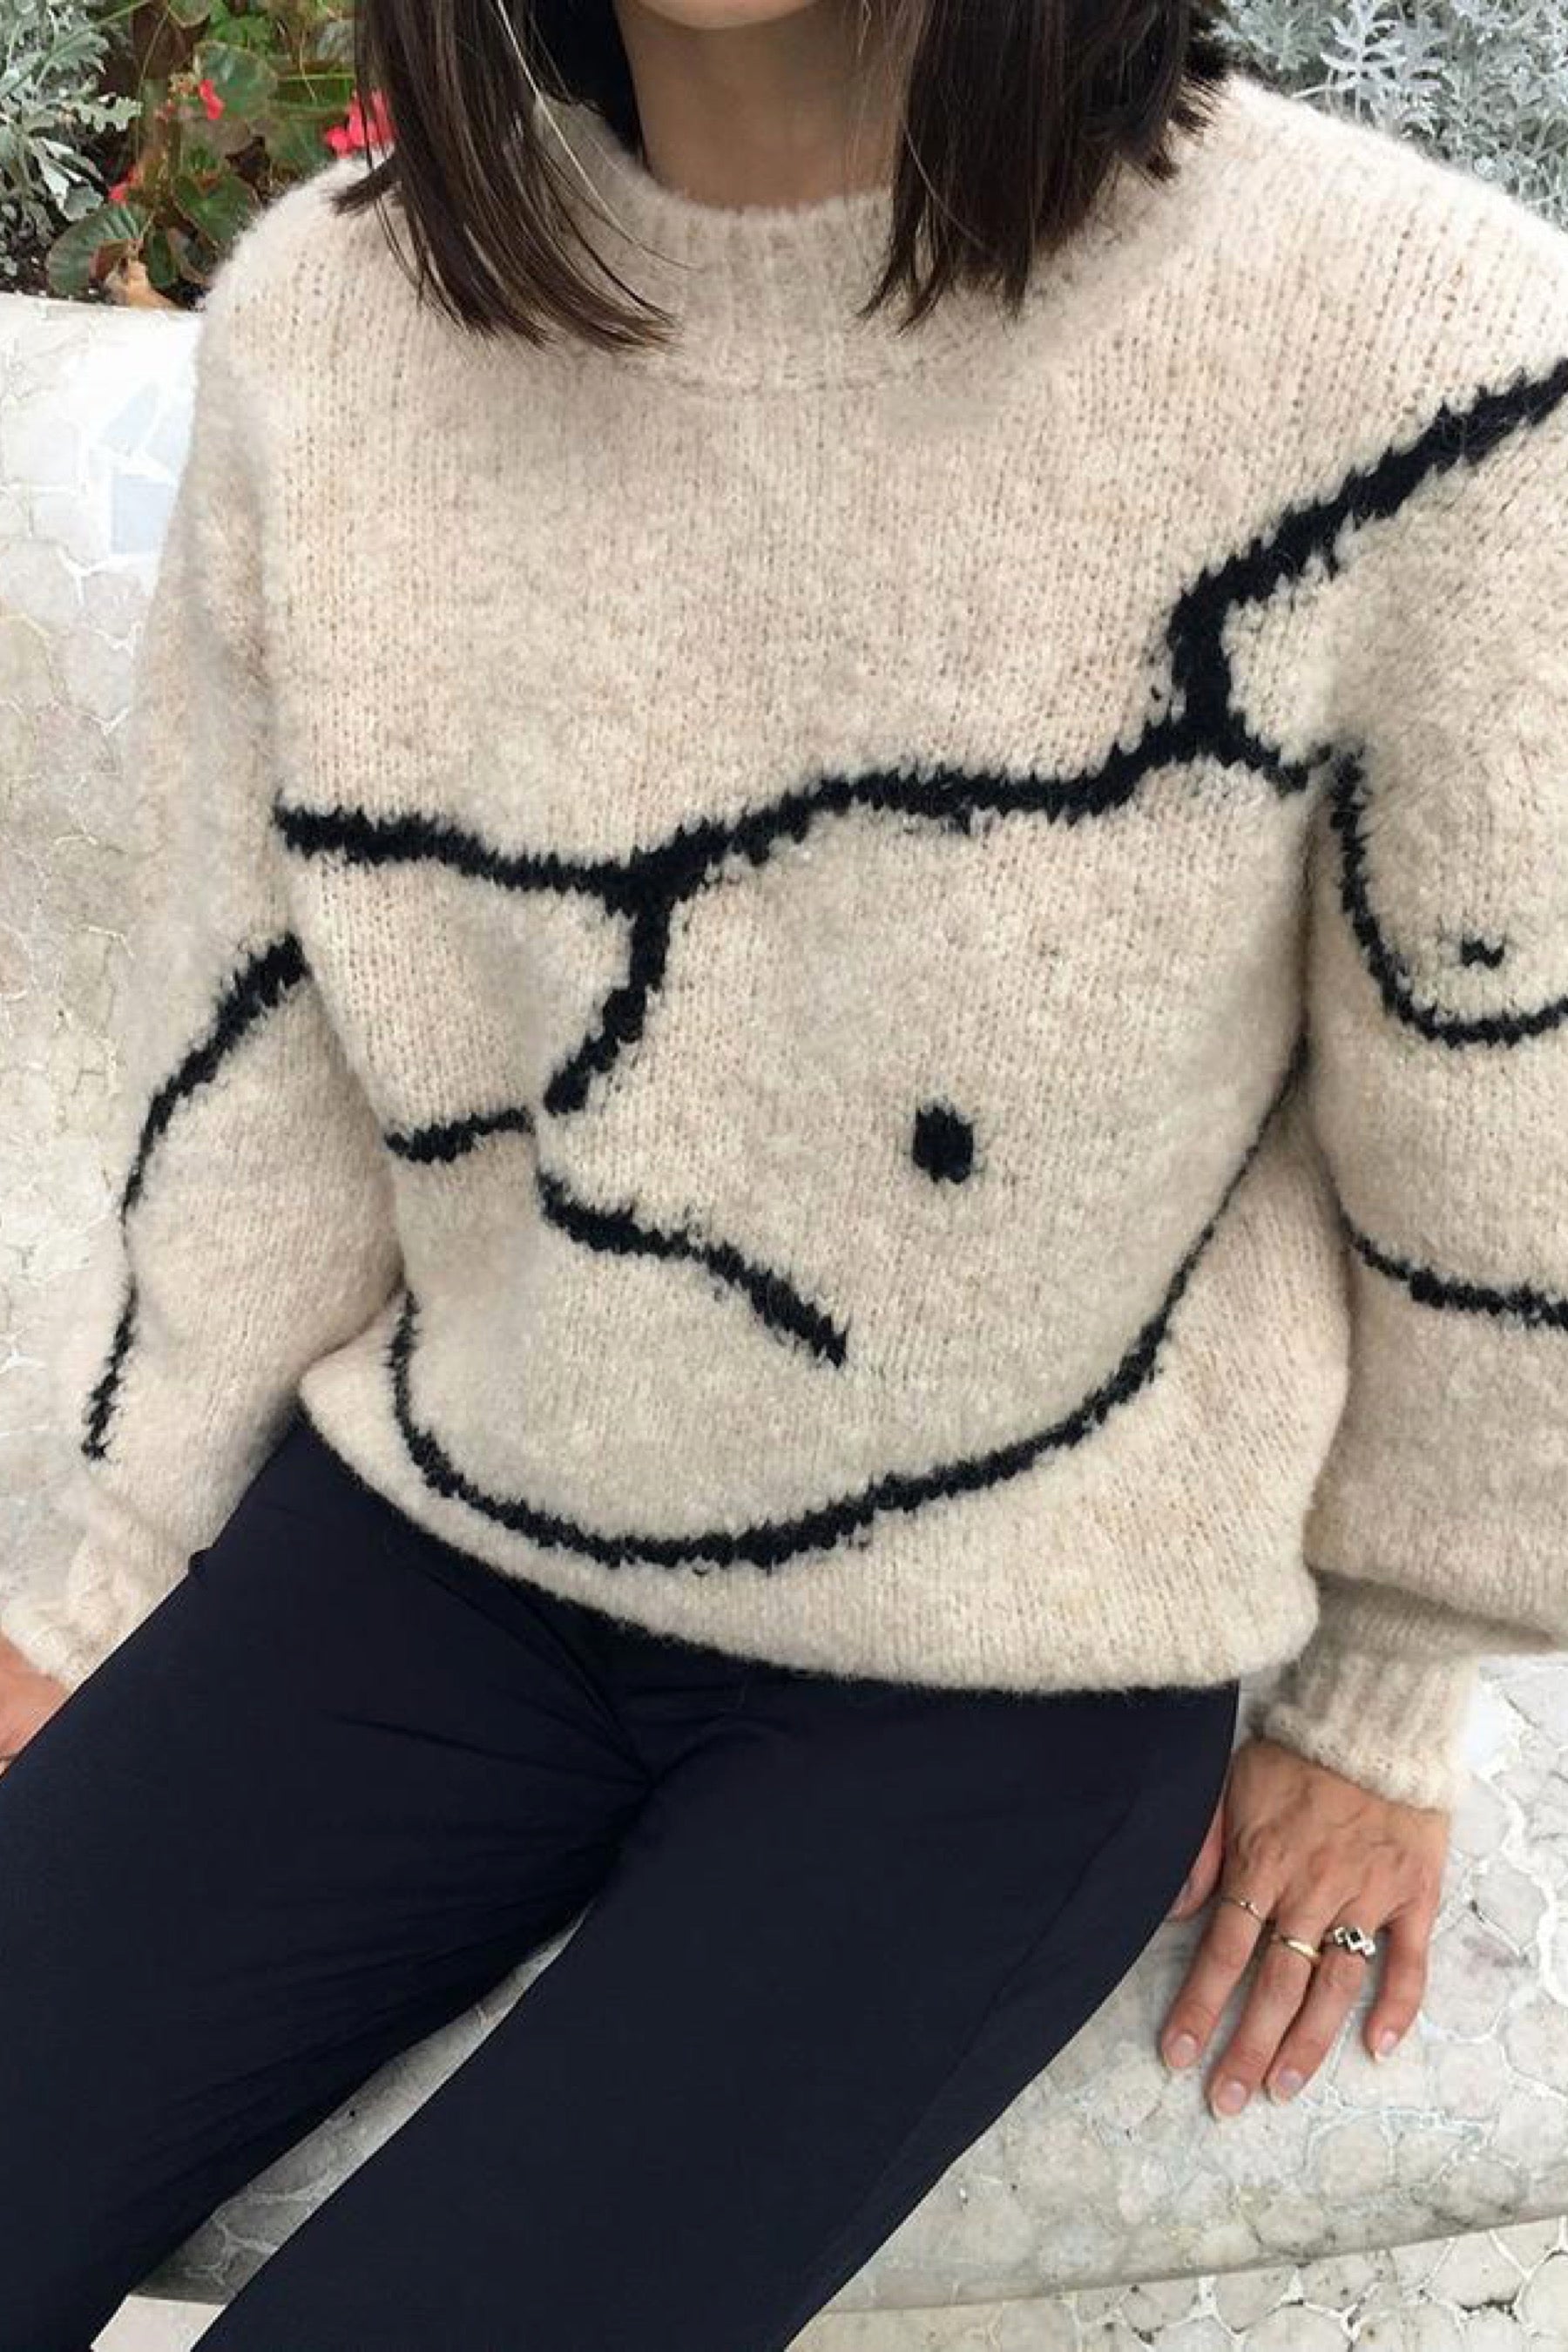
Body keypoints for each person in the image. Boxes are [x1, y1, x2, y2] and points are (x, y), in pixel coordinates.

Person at [2, 1, 1565, 2342]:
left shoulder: (1419, 345)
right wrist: (105, 1579)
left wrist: (1390, 1683)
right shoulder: (331, 324)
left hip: (1012, 1670)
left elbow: (1498, 1103)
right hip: (437, 1535)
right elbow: (265, 1042)